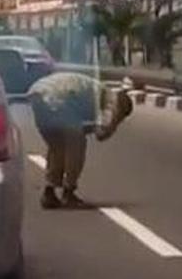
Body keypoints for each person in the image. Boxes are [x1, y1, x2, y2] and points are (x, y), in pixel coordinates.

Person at [28, 72, 133, 209]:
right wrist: (115, 123)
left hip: (38, 94)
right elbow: (101, 134)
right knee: (76, 145)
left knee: (58, 147)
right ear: (121, 108)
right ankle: (68, 192)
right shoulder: (111, 102)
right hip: (58, 96)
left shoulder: (97, 91)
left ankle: (49, 192)